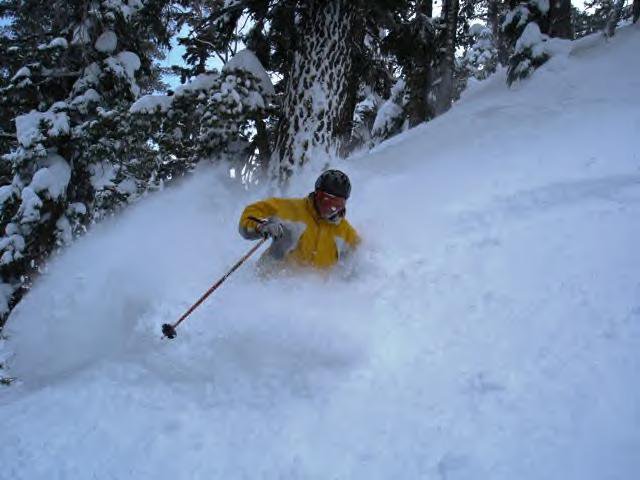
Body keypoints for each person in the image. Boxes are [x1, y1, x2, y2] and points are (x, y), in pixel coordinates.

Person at [239, 169, 360, 270]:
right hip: (269, 284)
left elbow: (359, 264)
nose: (331, 209)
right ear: (317, 194)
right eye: (326, 201)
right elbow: (249, 214)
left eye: (338, 204)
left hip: (313, 295)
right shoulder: (289, 209)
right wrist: (260, 227)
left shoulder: (346, 234)